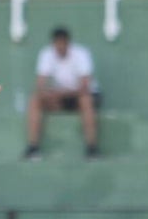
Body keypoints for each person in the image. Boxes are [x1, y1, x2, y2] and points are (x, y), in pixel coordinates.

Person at [25, 27, 100, 161]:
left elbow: (85, 86)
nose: (60, 47)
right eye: (57, 44)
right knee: (35, 99)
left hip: (81, 96)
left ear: (68, 43)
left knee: (86, 100)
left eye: (63, 43)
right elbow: (40, 84)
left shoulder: (81, 54)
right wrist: (48, 94)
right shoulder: (46, 54)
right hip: (60, 98)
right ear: (53, 44)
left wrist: (61, 93)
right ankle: (33, 148)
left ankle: (92, 148)